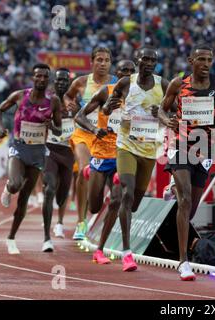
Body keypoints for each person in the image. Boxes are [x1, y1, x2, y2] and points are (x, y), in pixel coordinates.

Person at [158, 43, 215, 281]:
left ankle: (173, 190)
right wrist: (166, 121)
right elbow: (161, 109)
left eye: (209, 60)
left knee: (191, 208)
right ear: (191, 61)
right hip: (180, 144)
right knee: (186, 198)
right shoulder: (178, 83)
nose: (205, 64)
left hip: (204, 149)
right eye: (200, 59)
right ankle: (183, 261)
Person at [102, 48, 169, 271]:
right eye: (145, 59)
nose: (149, 63)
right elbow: (106, 107)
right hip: (126, 146)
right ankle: (127, 252)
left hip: (149, 150)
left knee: (135, 202)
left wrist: (161, 111)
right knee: (127, 193)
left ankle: (122, 220)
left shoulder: (164, 85)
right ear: (138, 60)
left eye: (153, 60)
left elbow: (176, 110)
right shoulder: (125, 83)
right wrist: (107, 107)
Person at [76, 59, 137, 271]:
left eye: (131, 71)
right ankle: (88, 172)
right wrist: (95, 130)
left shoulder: (140, 97)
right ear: (116, 74)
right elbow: (79, 116)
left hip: (124, 154)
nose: (127, 75)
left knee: (117, 200)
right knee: (94, 206)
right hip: (101, 155)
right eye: (123, 71)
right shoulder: (106, 91)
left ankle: (104, 250)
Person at [0, 63, 62, 254]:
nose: (41, 79)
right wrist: (0, 128)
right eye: (38, 76)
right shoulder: (20, 95)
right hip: (19, 148)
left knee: (24, 199)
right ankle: (8, 188)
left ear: (48, 79)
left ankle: (11, 238)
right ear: (33, 78)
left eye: (45, 77)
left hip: (38, 152)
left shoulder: (54, 101)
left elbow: (58, 129)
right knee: (16, 184)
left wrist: (51, 125)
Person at [63, 46, 118, 240]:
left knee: (115, 179)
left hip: (106, 136)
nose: (103, 63)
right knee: (84, 169)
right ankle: (81, 222)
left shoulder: (116, 83)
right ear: (92, 62)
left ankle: (109, 216)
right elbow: (68, 95)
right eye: (99, 60)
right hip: (83, 133)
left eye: (107, 60)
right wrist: (68, 102)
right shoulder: (81, 82)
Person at [42, 68, 74, 244]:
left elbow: (83, 118)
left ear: (68, 83)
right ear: (54, 82)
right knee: (50, 188)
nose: (62, 83)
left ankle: (60, 221)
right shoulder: (48, 100)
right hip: (50, 148)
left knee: (63, 193)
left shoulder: (74, 101)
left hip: (69, 151)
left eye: (65, 81)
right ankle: (48, 233)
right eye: (59, 80)